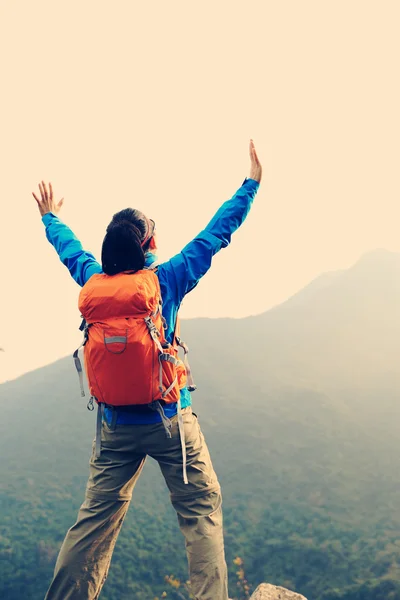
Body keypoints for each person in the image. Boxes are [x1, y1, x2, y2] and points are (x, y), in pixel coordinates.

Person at [33, 140, 262, 600]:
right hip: (169, 420)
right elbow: (215, 234)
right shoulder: (168, 279)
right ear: (149, 246)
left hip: (115, 427)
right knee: (200, 508)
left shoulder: (93, 282)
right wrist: (250, 185)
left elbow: (70, 250)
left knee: (94, 522)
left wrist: (50, 217)